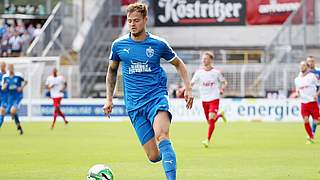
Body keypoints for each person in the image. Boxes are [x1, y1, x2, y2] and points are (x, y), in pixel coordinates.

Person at [103, 3, 193, 180]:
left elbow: (178, 64)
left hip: (156, 99)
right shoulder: (119, 45)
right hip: (134, 105)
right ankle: (168, 156)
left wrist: (188, 88)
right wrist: (109, 99)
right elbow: (111, 71)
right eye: (129, 21)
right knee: (153, 156)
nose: (132, 24)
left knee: (163, 136)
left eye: (136, 20)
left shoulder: (158, 44)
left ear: (145, 20)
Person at [191, 51, 228, 148]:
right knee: (210, 121)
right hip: (204, 99)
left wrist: (222, 89)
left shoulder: (216, 72)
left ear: (211, 60)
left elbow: (224, 82)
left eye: (206, 59)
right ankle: (220, 115)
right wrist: (183, 89)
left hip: (214, 98)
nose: (204, 60)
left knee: (211, 120)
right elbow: (191, 83)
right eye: (203, 59)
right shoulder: (199, 72)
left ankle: (207, 140)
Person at [294, 61, 320, 144]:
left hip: (312, 102)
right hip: (304, 103)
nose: (302, 67)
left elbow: (318, 86)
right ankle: (310, 137)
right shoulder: (297, 79)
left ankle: (311, 136)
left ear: (307, 67)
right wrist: (297, 93)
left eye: (304, 65)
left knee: (316, 122)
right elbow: (297, 89)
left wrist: (317, 94)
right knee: (305, 120)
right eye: (301, 65)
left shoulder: (312, 76)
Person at [0, 64, 27, 135]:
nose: (10, 69)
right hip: (9, 97)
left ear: (13, 68)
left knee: (12, 111)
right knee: (4, 112)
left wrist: (21, 87)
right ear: (8, 69)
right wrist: (4, 86)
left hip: (17, 97)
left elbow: (25, 81)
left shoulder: (18, 75)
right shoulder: (5, 77)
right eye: (9, 68)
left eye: (11, 68)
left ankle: (14, 116)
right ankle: (19, 126)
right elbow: (2, 87)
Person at [306, 56, 320, 136]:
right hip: (309, 97)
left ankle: (312, 133)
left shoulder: (318, 71)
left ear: (314, 62)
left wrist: (317, 94)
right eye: (309, 61)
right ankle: (312, 133)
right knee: (314, 116)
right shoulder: (305, 73)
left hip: (318, 95)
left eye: (312, 61)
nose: (310, 63)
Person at [0, 62, 6, 127]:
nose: (2, 67)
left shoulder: (7, 76)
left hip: (4, 97)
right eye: (1, 66)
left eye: (3, 66)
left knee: (2, 111)